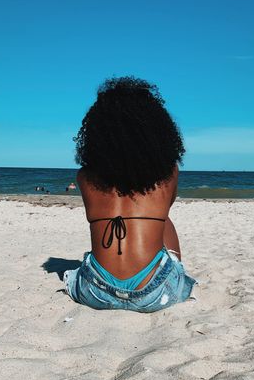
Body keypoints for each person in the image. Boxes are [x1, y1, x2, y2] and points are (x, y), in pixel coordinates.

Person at [63, 76, 196, 312]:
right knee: (162, 217)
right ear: (158, 133)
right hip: (154, 292)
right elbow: (163, 213)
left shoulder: (85, 177)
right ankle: (174, 265)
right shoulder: (169, 174)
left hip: (96, 290)